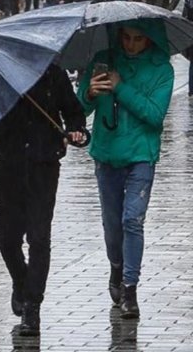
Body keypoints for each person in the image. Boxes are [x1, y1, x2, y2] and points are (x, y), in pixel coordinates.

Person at [76, 20, 174, 319]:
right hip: (107, 152)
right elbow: (79, 109)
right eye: (126, 38)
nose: (131, 44)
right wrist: (90, 93)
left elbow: (155, 115)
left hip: (141, 154)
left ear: (150, 40)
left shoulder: (161, 69)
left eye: (138, 39)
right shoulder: (103, 60)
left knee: (133, 219)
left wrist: (121, 87)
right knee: (112, 222)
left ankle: (130, 288)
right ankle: (116, 267)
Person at [0, 65, 87, 336]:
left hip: (44, 165)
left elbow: (73, 112)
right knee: (7, 239)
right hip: (8, 165)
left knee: (39, 238)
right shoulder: (0, 75)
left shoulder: (54, 73)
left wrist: (76, 131)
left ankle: (32, 306)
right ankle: (21, 280)